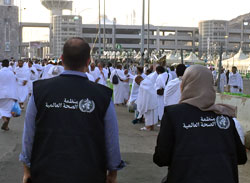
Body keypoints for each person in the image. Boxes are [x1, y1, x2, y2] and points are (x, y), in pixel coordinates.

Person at [19, 38, 124, 183]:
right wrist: (112, 171)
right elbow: (111, 138)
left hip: (45, 171)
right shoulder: (102, 95)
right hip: (89, 172)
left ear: (62, 59)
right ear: (88, 62)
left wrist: (26, 168)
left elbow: (29, 134)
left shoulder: (40, 91)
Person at [153, 65, 247, 183]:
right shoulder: (225, 115)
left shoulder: (173, 115)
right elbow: (241, 158)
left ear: (184, 86)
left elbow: (161, 158)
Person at [0, 60, 18, 131]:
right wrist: (16, 96)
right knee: (9, 110)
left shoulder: (0, 72)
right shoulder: (11, 73)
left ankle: (4, 118)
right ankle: (6, 125)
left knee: (1, 108)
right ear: (8, 65)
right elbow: (14, 84)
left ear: (2, 65)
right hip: (10, 94)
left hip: (1, 94)